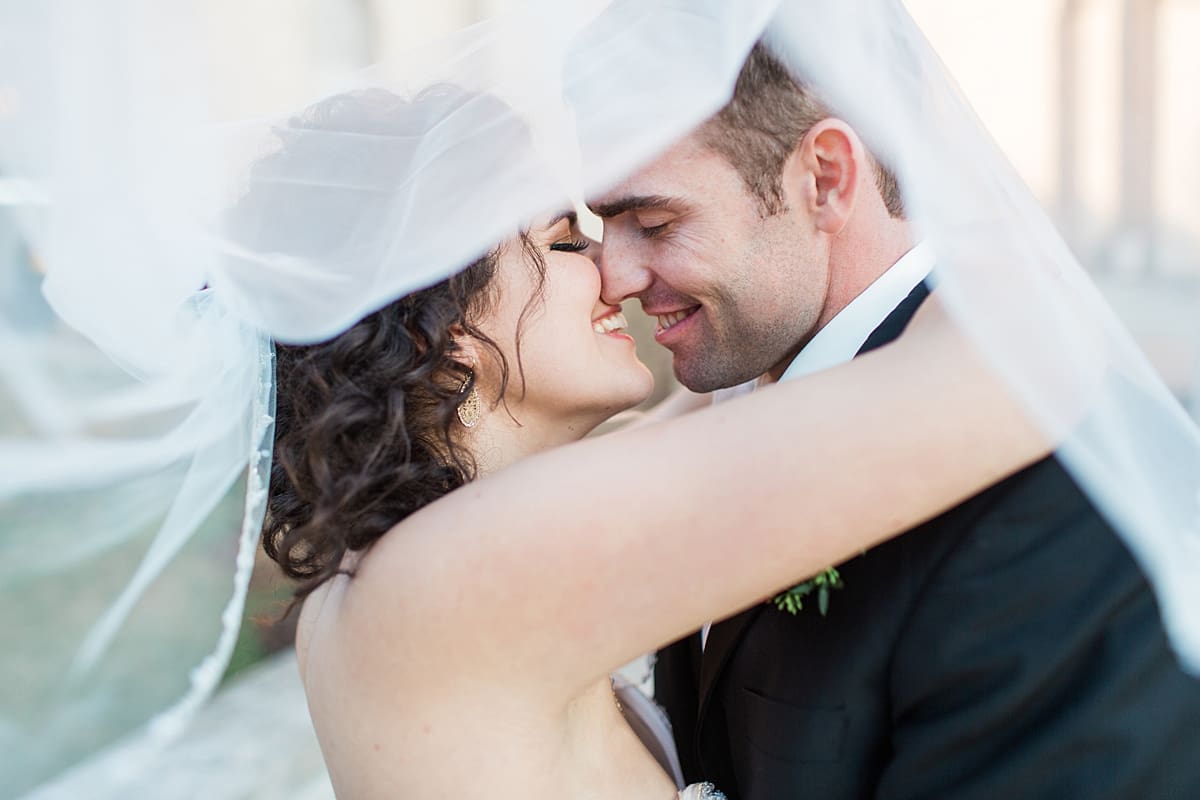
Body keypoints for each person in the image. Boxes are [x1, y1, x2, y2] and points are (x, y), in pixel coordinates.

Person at [257, 88, 1050, 800]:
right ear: (448, 325)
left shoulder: (440, 543)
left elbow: (744, 396)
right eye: (567, 244)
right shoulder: (450, 580)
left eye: (645, 225)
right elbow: (993, 376)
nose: (612, 271)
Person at [590, 41, 1200, 799]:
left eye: (652, 221)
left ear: (825, 179)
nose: (610, 277)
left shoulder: (1043, 502)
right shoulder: (716, 408)